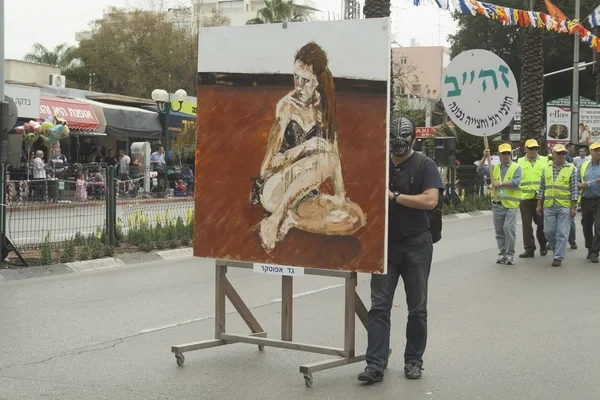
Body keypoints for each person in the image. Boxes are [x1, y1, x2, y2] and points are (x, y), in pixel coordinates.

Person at [251, 41, 365, 253]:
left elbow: (335, 157)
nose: (298, 85)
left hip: (304, 193)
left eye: (306, 80)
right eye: (295, 77)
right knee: (326, 157)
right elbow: (266, 168)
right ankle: (275, 219)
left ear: (318, 81)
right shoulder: (286, 107)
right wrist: (305, 147)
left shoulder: (324, 107)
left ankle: (292, 220)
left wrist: (340, 194)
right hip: (275, 190)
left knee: (355, 216)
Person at [358, 116, 443, 384]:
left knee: (417, 307)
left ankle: (414, 361)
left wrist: (394, 197)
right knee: (379, 307)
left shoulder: (424, 164)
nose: (397, 152)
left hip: (417, 244)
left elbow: (431, 200)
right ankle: (375, 364)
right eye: (394, 146)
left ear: (413, 141)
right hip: (385, 247)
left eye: (402, 146)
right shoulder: (379, 163)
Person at [477, 144, 522, 265]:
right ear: (499, 155)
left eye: (508, 153)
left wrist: (500, 183)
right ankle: (502, 254)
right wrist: (485, 157)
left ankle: (510, 255)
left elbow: (516, 182)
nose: (506, 156)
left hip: (511, 204)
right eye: (503, 154)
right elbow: (480, 171)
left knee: (509, 229)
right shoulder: (494, 167)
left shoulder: (516, 167)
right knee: (499, 232)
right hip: (497, 204)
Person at [537, 144, 578, 267]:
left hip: (564, 205)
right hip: (549, 205)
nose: (561, 156)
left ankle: (558, 257)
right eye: (558, 153)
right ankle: (557, 251)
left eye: (563, 153)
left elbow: (574, 188)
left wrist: (574, 206)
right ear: (553, 154)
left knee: (562, 232)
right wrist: (539, 204)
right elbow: (541, 187)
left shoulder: (571, 168)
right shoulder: (546, 168)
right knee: (548, 231)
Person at [517, 140, 548, 258]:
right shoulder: (519, 162)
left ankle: (543, 245)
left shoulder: (545, 161)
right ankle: (529, 249)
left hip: (540, 198)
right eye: (531, 148)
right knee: (526, 225)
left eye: (535, 148)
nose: (533, 151)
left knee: (541, 224)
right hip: (525, 198)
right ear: (525, 149)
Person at [577, 142, 600, 263]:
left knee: (598, 227)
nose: (598, 152)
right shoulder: (584, 165)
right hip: (586, 199)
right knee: (586, 225)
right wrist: (580, 185)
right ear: (590, 152)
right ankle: (590, 247)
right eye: (596, 150)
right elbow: (575, 181)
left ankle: (595, 252)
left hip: (599, 200)